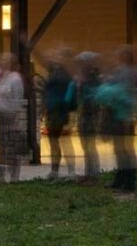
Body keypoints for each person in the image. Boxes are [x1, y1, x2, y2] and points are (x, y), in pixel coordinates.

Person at [101, 46, 137, 194]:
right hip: (125, 116)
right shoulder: (130, 72)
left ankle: (128, 183)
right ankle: (121, 180)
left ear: (123, 57)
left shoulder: (126, 73)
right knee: (121, 150)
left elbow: (118, 91)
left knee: (124, 151)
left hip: (122, 116)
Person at [0, 52, 28, 182]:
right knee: (3, 145)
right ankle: (0, 174)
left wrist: (0, 108)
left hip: (11, 116)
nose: (2, 61)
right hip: (1, 115)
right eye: (2, 58)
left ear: (11, 62)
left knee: (12, 146)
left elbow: (16, 101)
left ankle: (14, 175)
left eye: (5, 59)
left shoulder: (15, 79)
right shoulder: (1, 76)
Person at [40, 48, 77, 180]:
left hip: (61, 111)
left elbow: (69, 95)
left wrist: (68, 113)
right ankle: (54, 170)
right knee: (53, 141)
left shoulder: (65, 75)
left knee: (64, 141)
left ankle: (71, 171)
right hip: (53, 110)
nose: (55, 58)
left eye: (58, 56)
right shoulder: (55, 72)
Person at [73, 51, 103, 184]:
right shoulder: (84, 78)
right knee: (85, 145)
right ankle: (88, 173)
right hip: (84, 113)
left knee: (90, 146)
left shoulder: (93, 79)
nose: (79, 66)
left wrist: (81, 85)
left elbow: (93, 97)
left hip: (91, 114)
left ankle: (93, 175)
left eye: (81, 63)